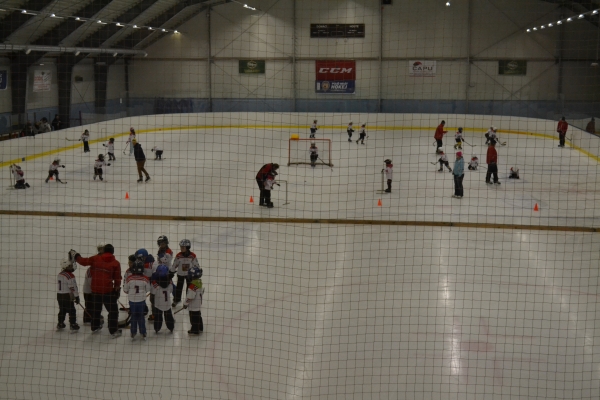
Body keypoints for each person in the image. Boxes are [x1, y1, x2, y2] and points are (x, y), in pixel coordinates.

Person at [71, 244, 122, 337]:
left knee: (96, 309)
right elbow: (117, 279)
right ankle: (113, 331)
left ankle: (95, 327)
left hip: (95, 291)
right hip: (108, 291)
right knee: (113, 311)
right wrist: (117, 289)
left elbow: (83, 261)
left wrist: (76, 256)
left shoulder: (95, 259)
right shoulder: (116, 263)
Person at [123, 260, 150, 341]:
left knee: (134, 316)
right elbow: (148, 289)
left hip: (132, 301)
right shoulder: (145, 278)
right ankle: (143, 332)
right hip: (141, 300)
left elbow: (125, 290)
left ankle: (133, 332)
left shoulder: (129, 278)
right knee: (141, 316)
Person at [170, 239, 201, 307]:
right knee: (179, 288)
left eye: (183, 247)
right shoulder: (178, 256)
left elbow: (196, 264)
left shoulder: (192, 256)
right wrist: (171, 271)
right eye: (181, 247)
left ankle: (188, 300)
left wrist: (198, 270)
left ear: (187, 248)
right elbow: (175, 264)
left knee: (189, 288)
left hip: (189, 275)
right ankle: (176, 300)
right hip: (180, 274)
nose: (181, 248)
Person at [83, 242, 107, 325]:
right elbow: (90, 282)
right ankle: (88, 319)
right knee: (89, 304)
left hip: (94, 289)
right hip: (89, 290)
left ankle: (94, 316)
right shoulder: (91, 270)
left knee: (95, 304)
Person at [56, 259, 80, 332]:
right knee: (72, 310)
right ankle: (73, 324)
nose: (72, 267)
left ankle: (60, 323)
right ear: (66, 266)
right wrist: (77, 296)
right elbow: (73, 287)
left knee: (62, 309)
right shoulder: (70, 275)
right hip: (67, 295)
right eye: (70, 266)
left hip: (59, 295)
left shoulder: (60, 274)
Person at [150, 265, 175, 334]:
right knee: (169, 316)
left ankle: (157, 328)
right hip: (167, 303)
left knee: (158, 317)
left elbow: (153, 292)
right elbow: (170, 290)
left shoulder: (154, 283)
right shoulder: (170, 282)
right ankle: (171, 327)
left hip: (158, 304)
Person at [183, 266, 204, 335]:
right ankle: (200, 327)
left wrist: (185, 304)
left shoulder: (192, 286)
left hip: (193, 306)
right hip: (198, 304)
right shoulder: (199, 283)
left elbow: (190, 297)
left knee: (193, 319)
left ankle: (195, 330)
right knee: (198, 316)